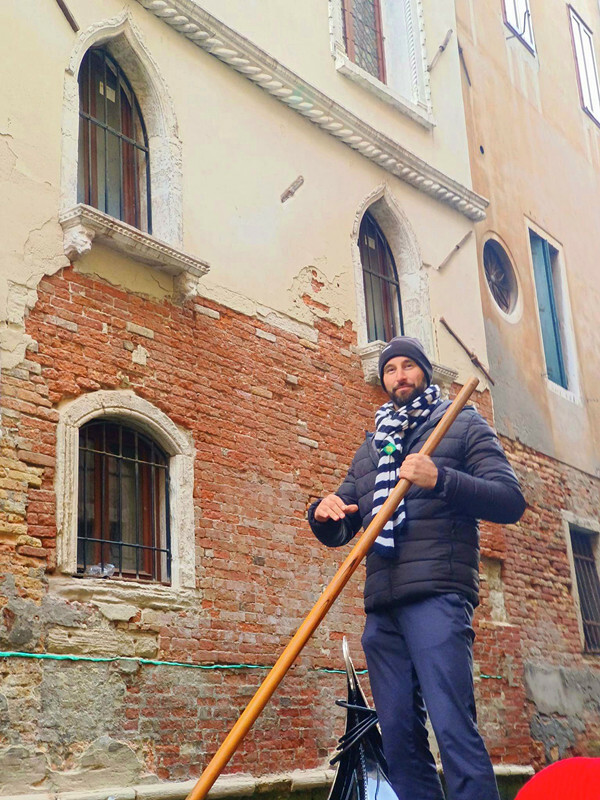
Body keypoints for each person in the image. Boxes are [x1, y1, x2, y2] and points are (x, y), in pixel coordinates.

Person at [308, 336, 526, 800]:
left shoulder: (461, 424)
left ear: (425, 372)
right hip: (383, 606)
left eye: (408, 366)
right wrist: (323, 513)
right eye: (390, 369)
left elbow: (509, 501)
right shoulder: (372, 448)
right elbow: (346, 521)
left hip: (438, 596)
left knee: (453, 728)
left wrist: (439, 478)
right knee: (400, 741)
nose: (399, 376)